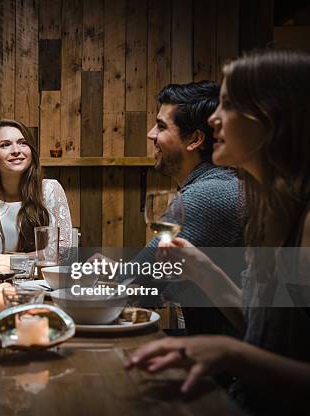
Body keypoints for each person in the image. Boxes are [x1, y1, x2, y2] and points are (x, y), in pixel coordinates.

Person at [127, 50, 310, 414]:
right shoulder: (267, 207)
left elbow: (132, 287)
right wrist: (203, 270)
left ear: (272, 117)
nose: (213, 120)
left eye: (227, 105)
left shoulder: (303, 220)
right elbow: (261, 330)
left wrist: (228, 353)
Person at [96, 81, 246, 334]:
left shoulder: (205, 195)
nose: (151, 134)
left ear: (195, 139)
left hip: (230, 360)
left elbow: (135, 287)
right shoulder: (215, 184)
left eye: (162, 126)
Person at [0, 119, 72, 253]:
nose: (16, 150)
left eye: (22, 143)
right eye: (5, 145)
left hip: (37, 275)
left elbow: (63, 252)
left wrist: (9, 260)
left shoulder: (49, 190)